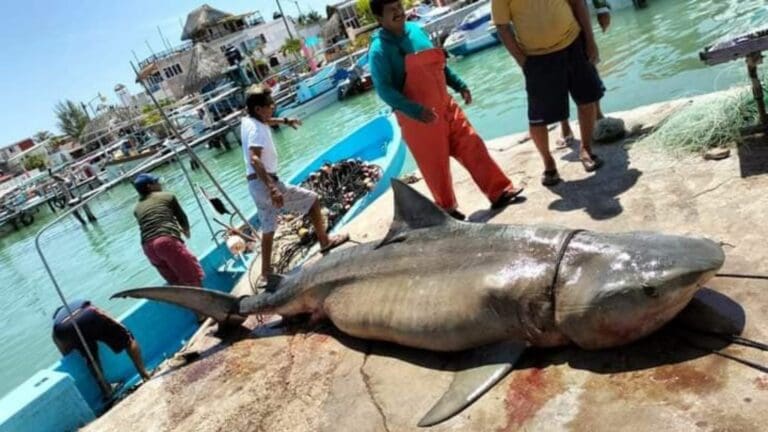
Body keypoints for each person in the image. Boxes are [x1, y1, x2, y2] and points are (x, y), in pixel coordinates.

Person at [369, 0, 523, 220]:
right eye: (391, 10)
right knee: (435, 167)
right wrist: (414, 110)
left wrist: (459, 84)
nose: (398, 12)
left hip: (446, 105)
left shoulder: (415, 30)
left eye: (399, 6)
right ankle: (447, 210)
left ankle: (499, 191)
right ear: (379, 19)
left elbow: (437, 63)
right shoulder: (379, 51)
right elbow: (384, 90)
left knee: (472, 144)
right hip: (418, 120)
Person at [241, 86, 349, 283]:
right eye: (269, 105)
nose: (273, 107)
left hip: (254, 186)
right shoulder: (256, 129)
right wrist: (273, 188)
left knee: (268, 227)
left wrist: (284, 120)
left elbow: (266, 121)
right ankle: (325, 242)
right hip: (266, 182)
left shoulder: (248, 121)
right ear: (258, 109)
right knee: (313, 200)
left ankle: (266, 273)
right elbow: (255, 160)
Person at [493, 0, 604, 186]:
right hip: (536, 57)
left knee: (586, 101)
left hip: (573, 43)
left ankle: (586, 148)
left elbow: (578, 4)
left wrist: (590, 41)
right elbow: (502, 27)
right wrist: (522, 61)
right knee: (537, 119)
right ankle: (548, 162)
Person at [52, 299, 151, 397]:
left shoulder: (56, 324)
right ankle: (144, 373)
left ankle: (107, 390)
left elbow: (64, 351)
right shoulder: (78, 302)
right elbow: (103, 313)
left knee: (90, 358)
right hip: (87, 313)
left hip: (65, 329)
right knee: (128, 339)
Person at [133, 173, 204, 286]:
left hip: (148, 248)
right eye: (156, 181)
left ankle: (186, 302)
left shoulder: (137, 208)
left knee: (176, 284)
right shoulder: (167, 196)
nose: (159, 183)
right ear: (149, 186)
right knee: (193, 278)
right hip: (165, 241)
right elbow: (181, 217)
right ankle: (204, 302)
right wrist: (186, 231)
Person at [558, 0, 612, 149]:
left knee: (588, 62)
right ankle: (564, 124)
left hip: (575, 14)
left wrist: (601, 8)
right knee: (556, 78)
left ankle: (598, 115)